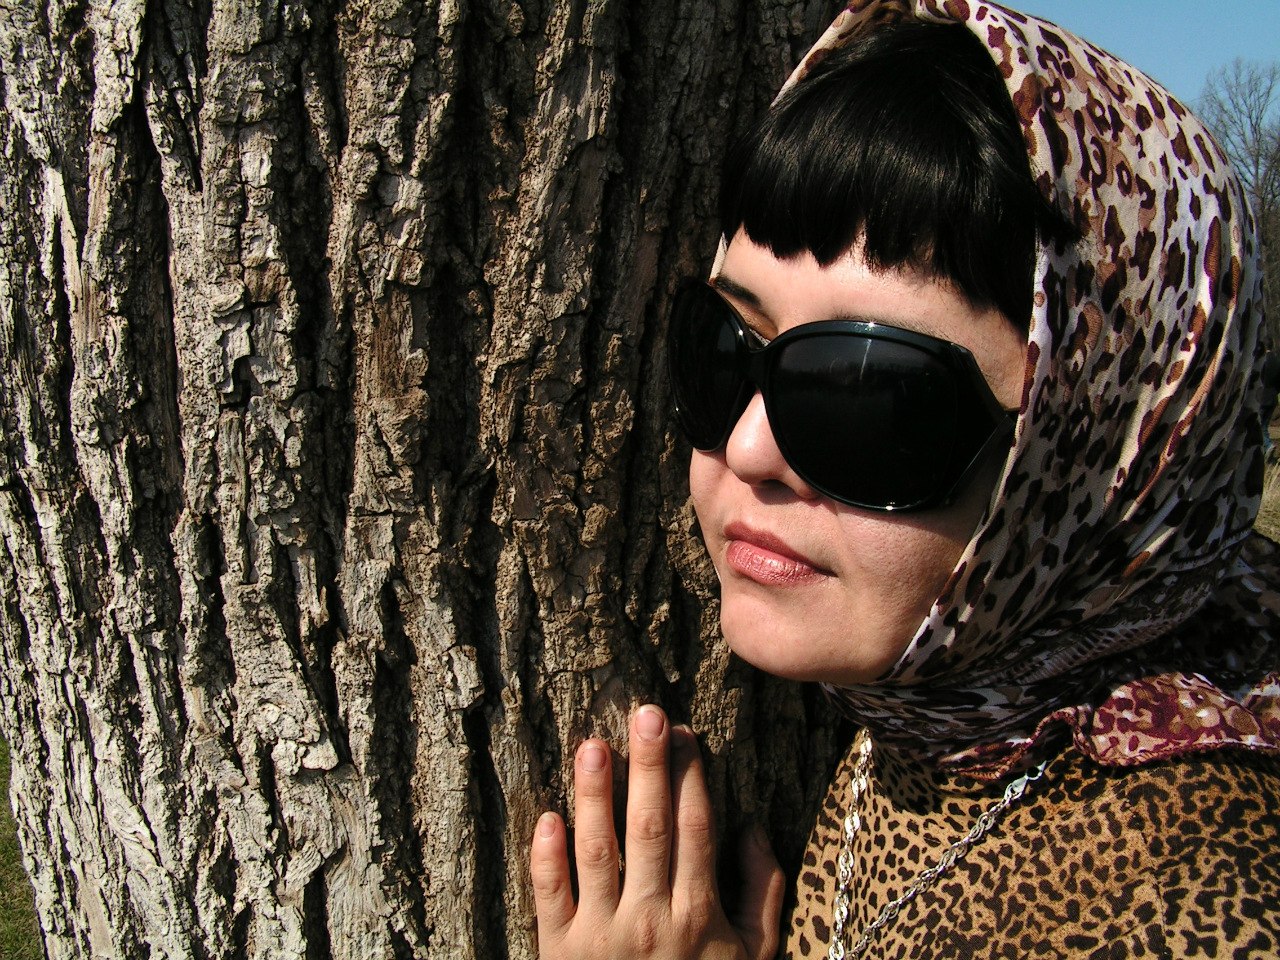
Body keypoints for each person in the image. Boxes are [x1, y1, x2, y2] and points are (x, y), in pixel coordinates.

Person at [529, 2, 1280, 957]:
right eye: (725, 348)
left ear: (1096, 459)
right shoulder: (940, 712)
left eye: (865, 393)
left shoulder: (1194, 905)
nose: (750, 449)